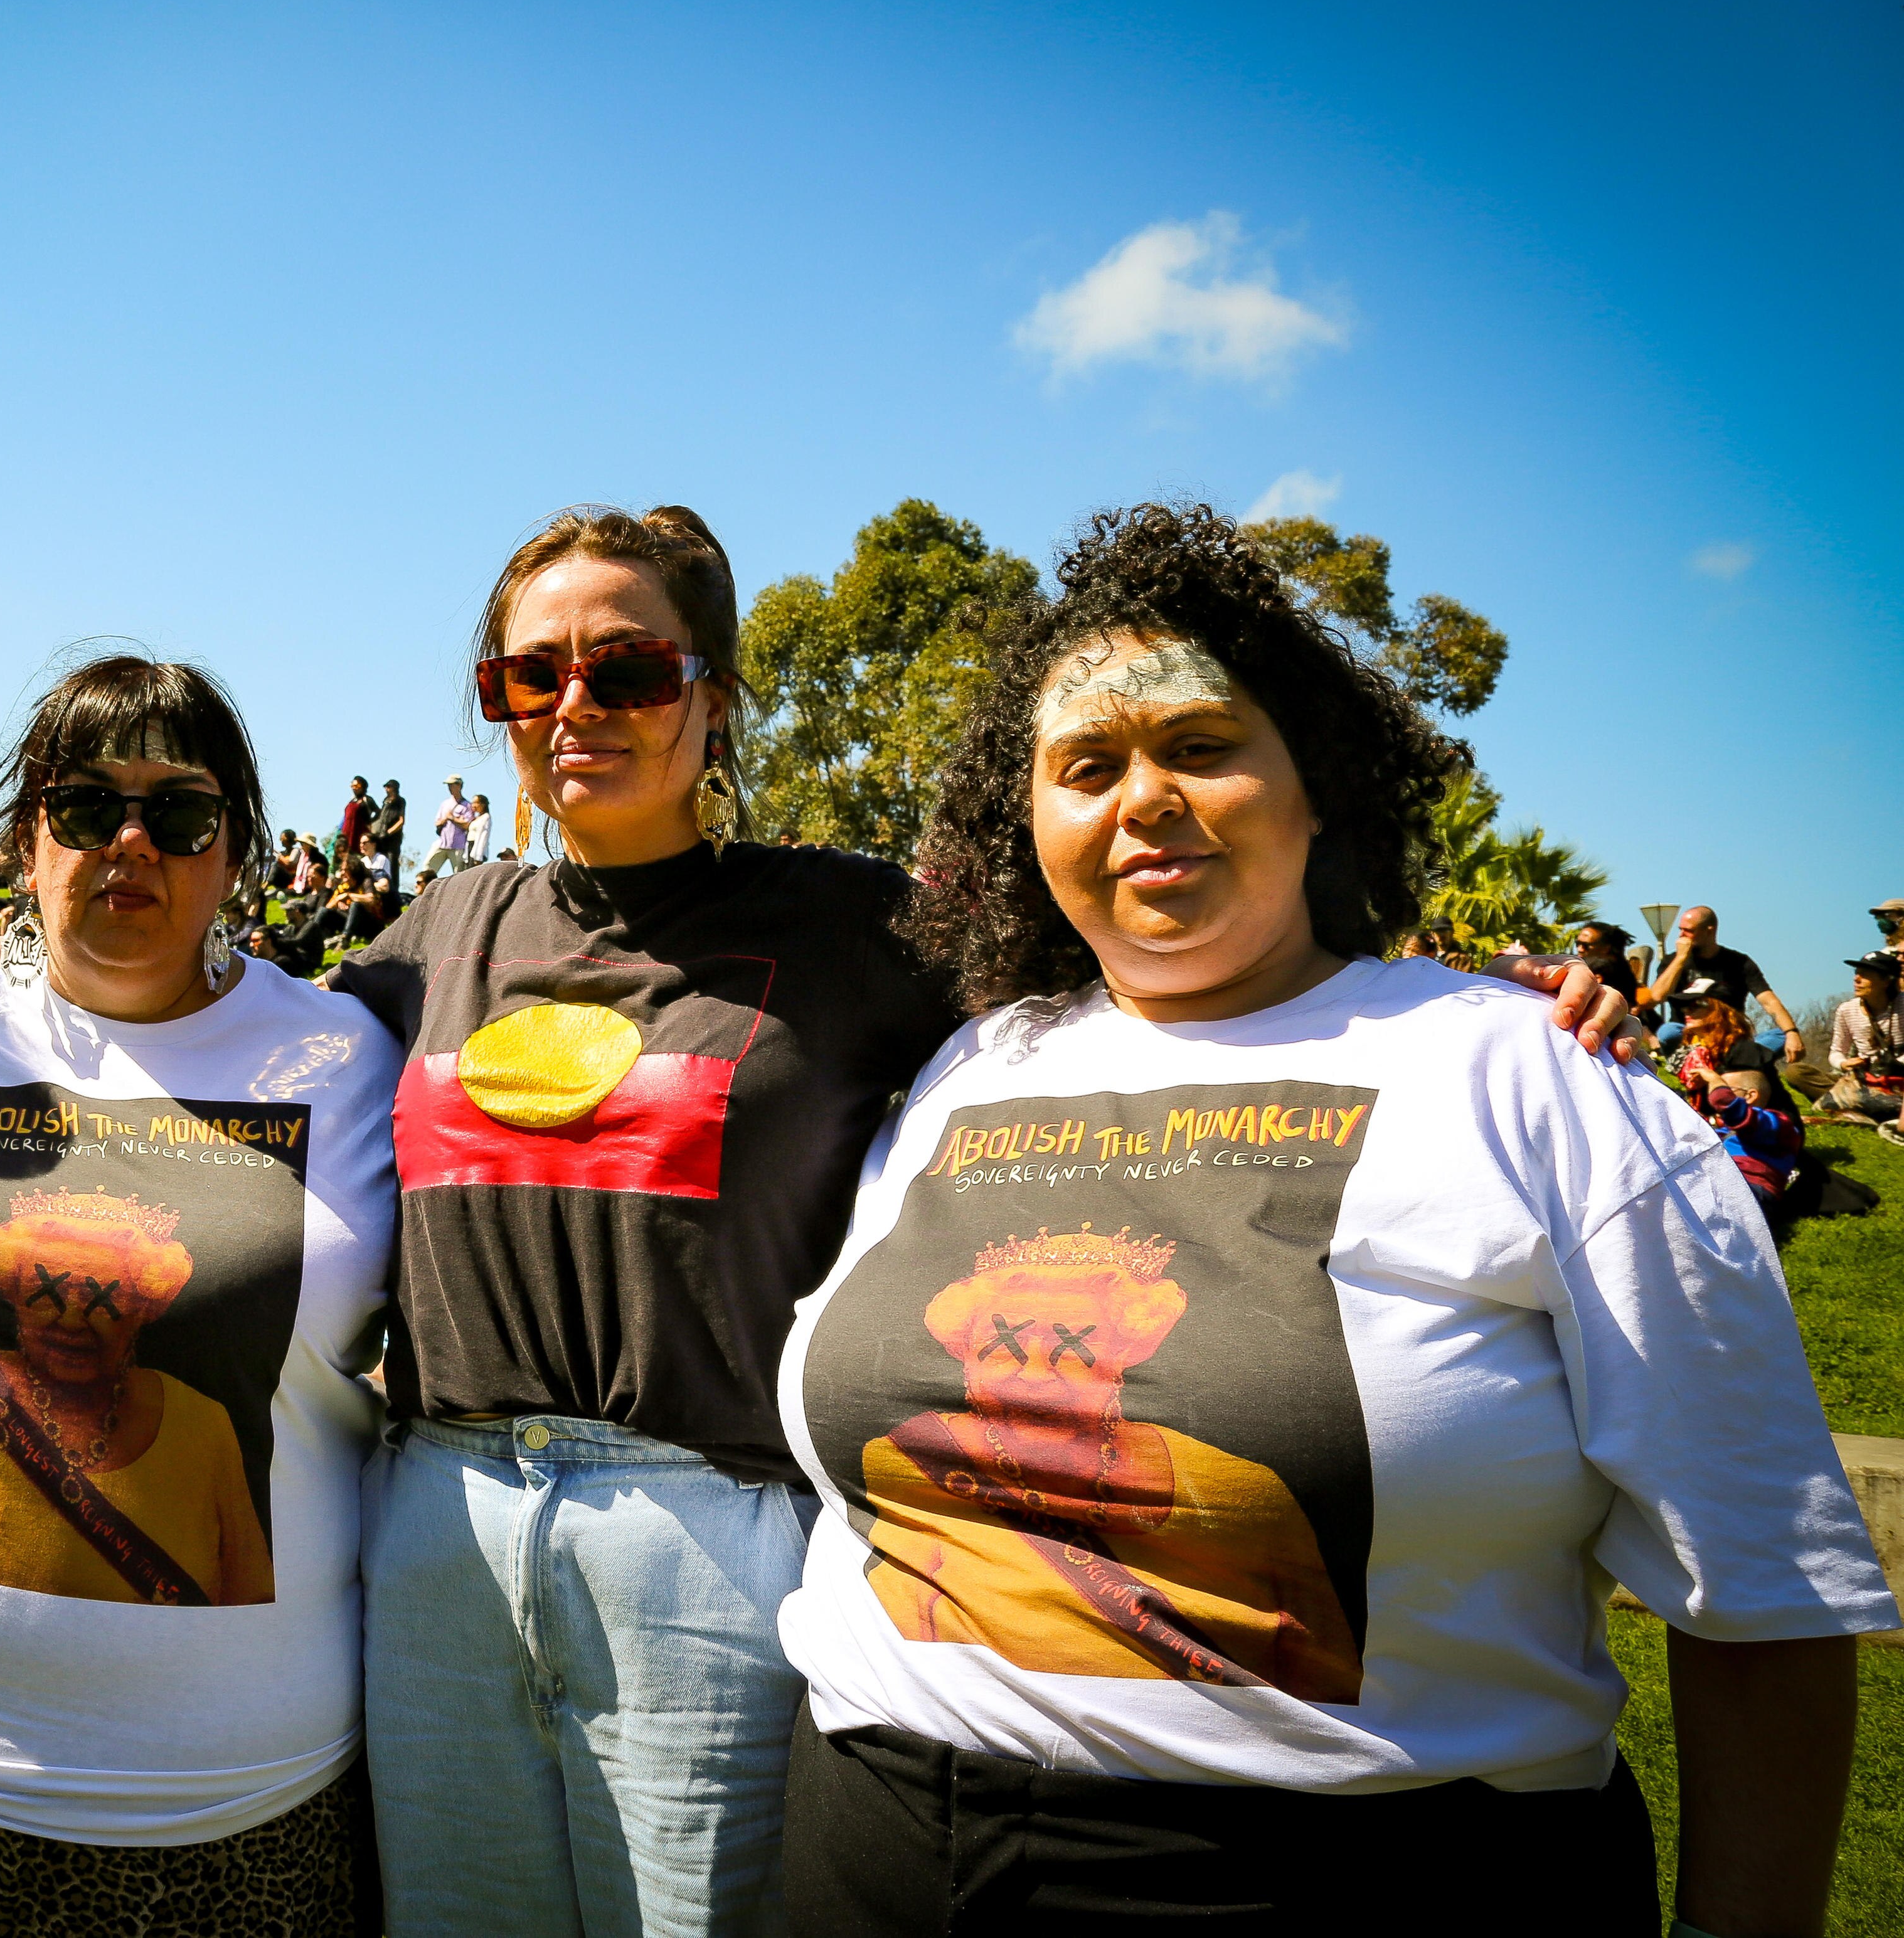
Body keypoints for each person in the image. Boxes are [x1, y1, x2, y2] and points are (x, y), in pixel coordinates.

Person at [0, 513, 1634, 1937]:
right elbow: (205, 1013)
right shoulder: (427, 937)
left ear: (711, 690)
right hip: (438, 1520)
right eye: (532, 669)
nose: (580, 701)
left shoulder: (874, 929)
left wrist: (1439, 993)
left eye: (628, 664)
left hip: (710, 1523)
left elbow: (1153, 964)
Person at [776, 503, 1885, 1935]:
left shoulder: (1537, 1079)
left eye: (1200, 745)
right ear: (1026, 817)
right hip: (871, 1853)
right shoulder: (969, 1066)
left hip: (1362, 1880)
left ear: (1319, 787)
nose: (1142, 798)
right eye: (1085, 765)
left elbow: (1765, 1595)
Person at [0, 654, 396, 1938]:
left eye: (182, 814)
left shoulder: (349, 1058)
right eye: (86, 806)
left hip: (226, 1810)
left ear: (234, 848)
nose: (130, 843)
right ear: (26, 834)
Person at [1675, 993, 1806, 1213]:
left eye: (1697, 1005)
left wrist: (1716, 1082)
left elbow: (1731, 1108)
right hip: (1719, 1181)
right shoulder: (1725, 1125)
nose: (1688, 1012)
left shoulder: (1777, 1123)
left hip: (1749, 1188)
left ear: (1750, 1096)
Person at [1642, 905, 1806, 1065]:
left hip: (1731, 1039)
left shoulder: (1740, 963)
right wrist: (1680, 959)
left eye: (1689, 931)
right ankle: (1731, 1061)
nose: (1681, 936)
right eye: (1680, 929)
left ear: (1710, 930)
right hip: (1688, 1037)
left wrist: (1792, 1032)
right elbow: (1657, 997)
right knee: (1668, 1032)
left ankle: (1722, 1060)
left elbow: (1769, 1001)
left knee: (1781, 1036)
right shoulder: (1673, 962)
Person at [1819, 952, 1904, 1141]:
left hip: (1898, 1080)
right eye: (1856, 973)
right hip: (1864, 1078)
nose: (1857, 979)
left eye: (1865, 974)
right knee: (1798, 1073)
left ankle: (1862, 1110)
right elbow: (1837, 1051)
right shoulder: (1847, 1010)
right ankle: (1872, 1109)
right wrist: (1844, 1064)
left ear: (1886, 981)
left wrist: (1896, 1063)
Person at [415, 775, 477, 886]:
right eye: (448, 785)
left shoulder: (467, 805)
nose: (449, 788)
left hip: (458, 845)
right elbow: (437, 822)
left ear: (459, 786)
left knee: (459, 875)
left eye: (452, 785)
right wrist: (445, 821)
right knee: (427, 868)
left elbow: (468, 825)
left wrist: (452, 818)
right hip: (443, 842)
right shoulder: (445, 804)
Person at [373, 779, 408, 891]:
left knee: (392, 863)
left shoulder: (400, 801)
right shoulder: (386, 801)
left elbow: (401, 821)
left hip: (393, 839)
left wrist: (390, 832)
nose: (387, 789)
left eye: (389, 787)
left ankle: (394, 889)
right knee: (381, 862)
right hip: (382, 838)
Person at [337, 776, 373, 863]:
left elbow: (370, 824)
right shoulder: (351, 802)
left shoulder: (366, 801)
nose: (354, 789)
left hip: (357, 843)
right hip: (346, 841)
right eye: (352, 786)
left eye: (357, 786)